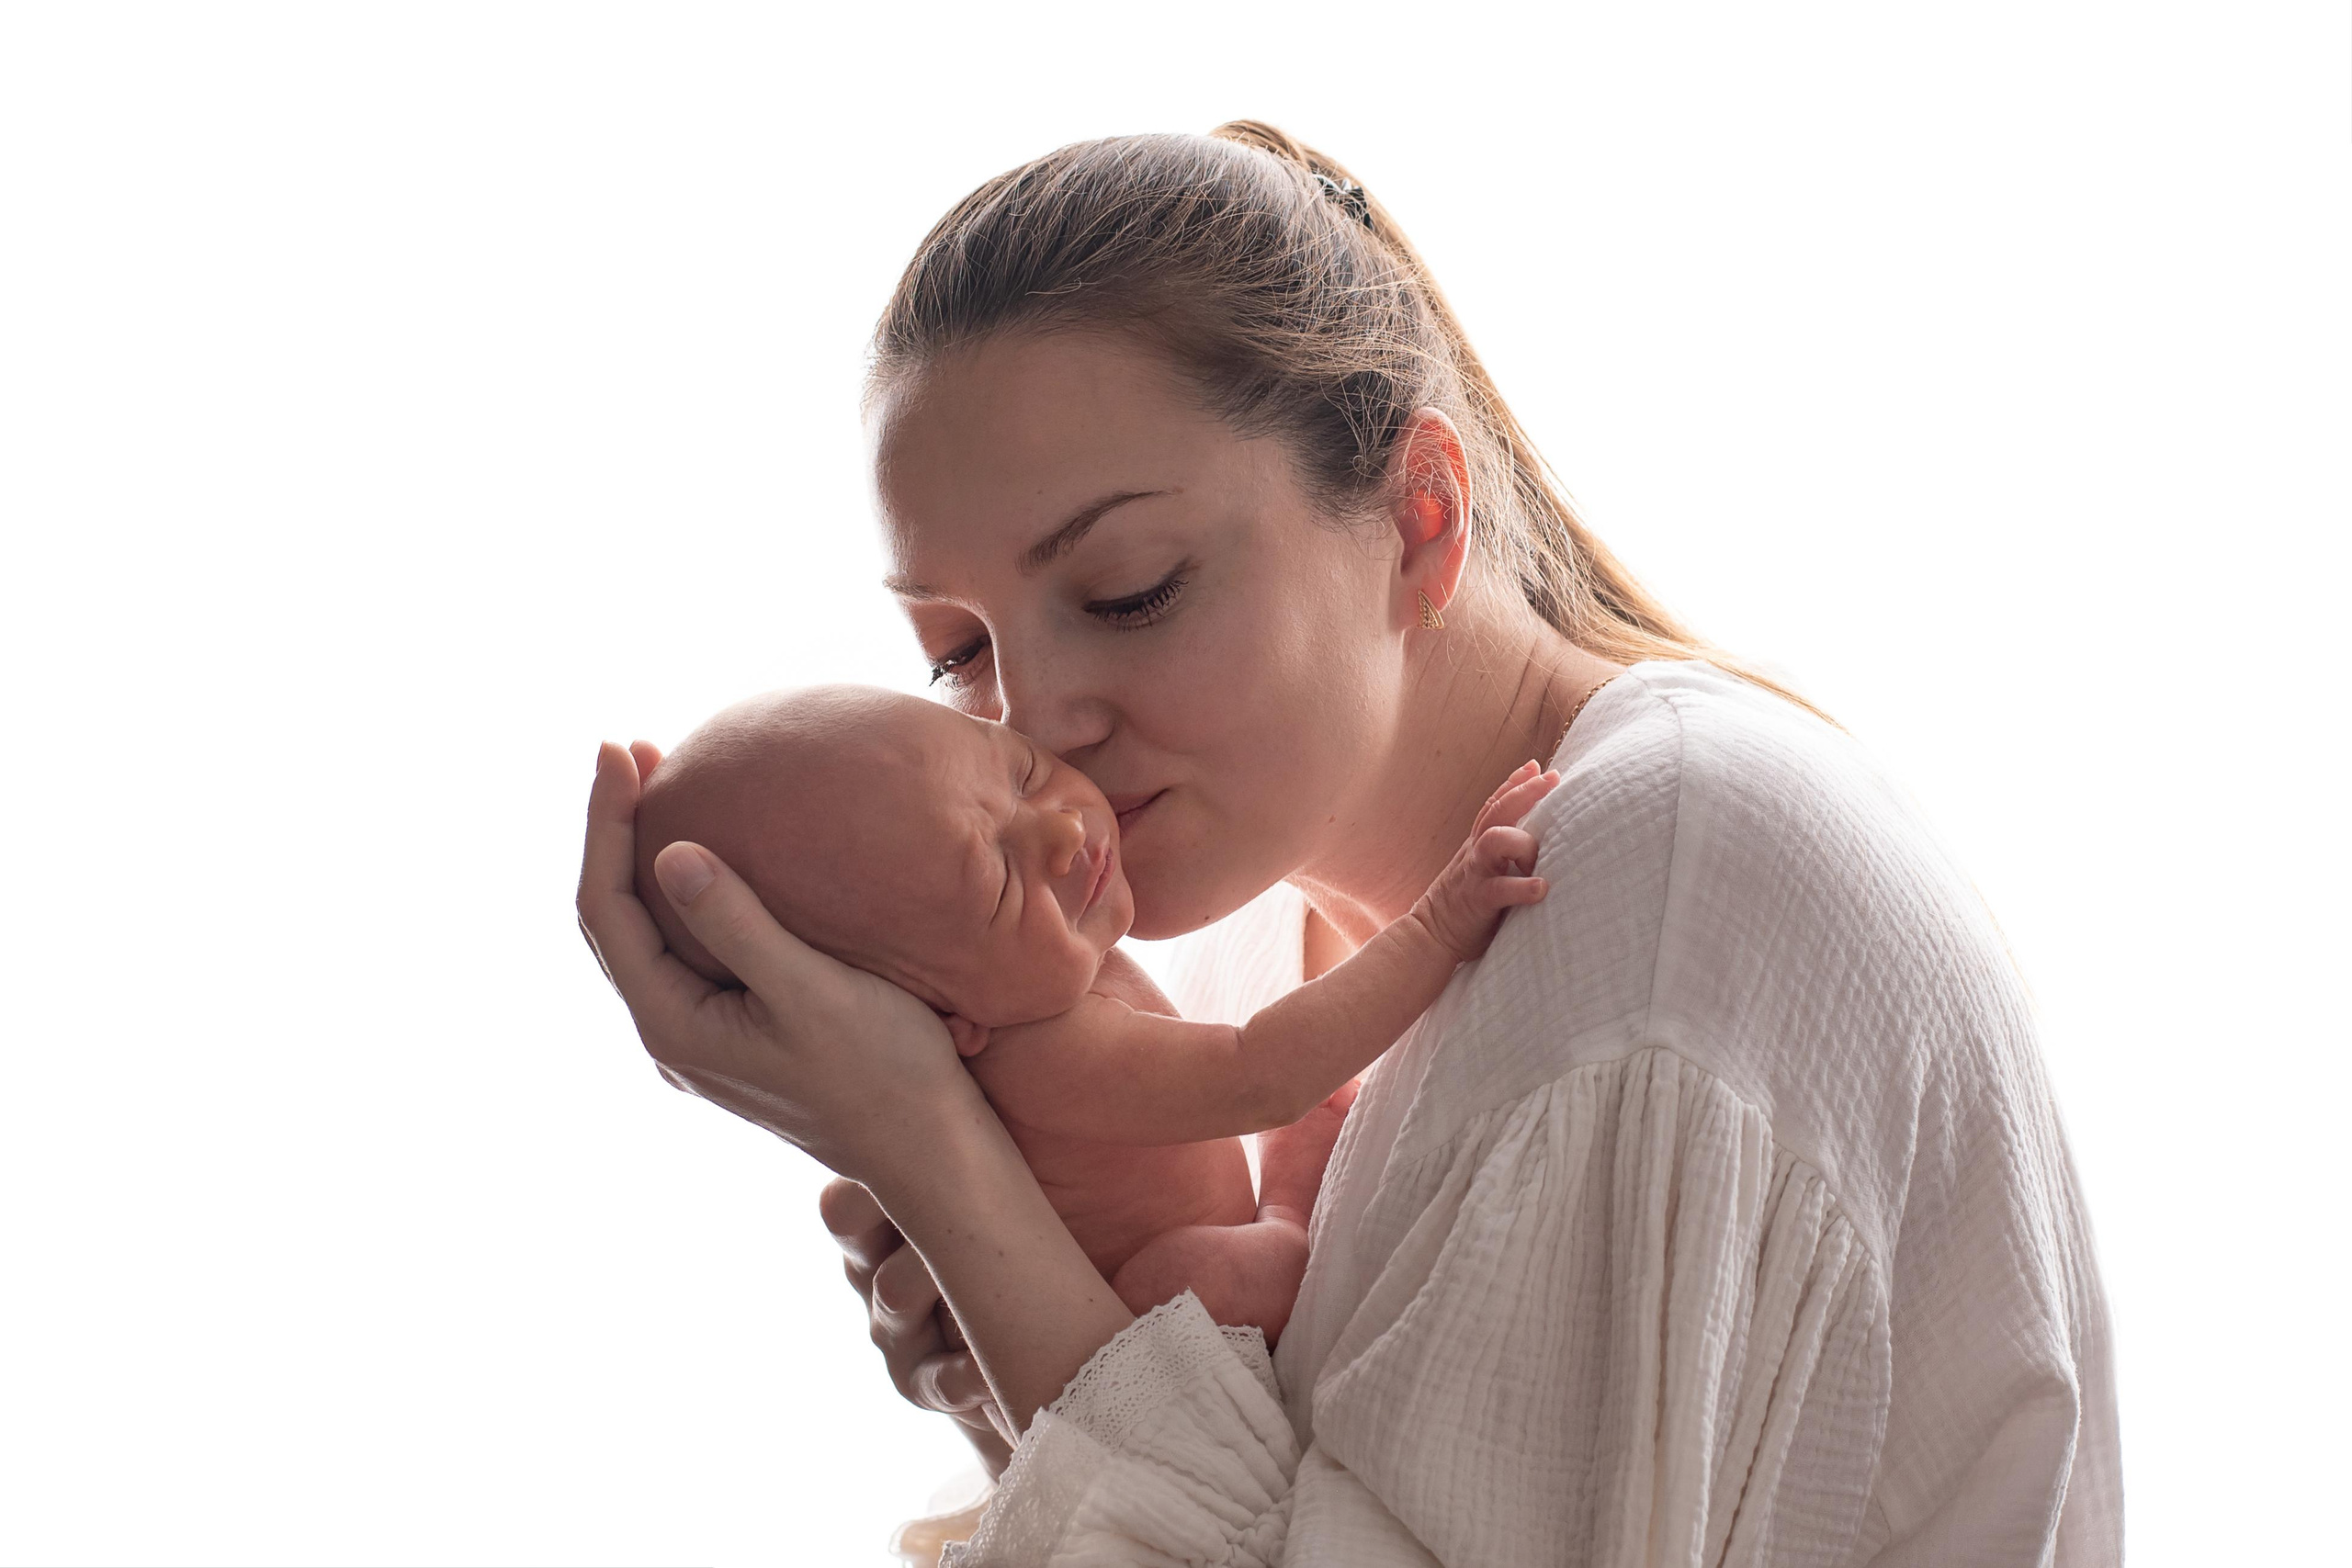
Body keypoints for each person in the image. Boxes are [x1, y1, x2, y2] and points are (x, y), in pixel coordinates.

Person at [577, 120, 2121, 1564]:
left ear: (1423, 515)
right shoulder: (1253, 928)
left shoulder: (1648, 882)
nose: (1032, 724)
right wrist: (1010, 1367)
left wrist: (945, 1174)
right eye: (958, 653)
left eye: (1127, 591)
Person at [627, 682, 1557, 1344]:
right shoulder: (1037, 1052)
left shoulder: (1034, 975)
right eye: (995, 879)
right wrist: (1443, 914)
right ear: (942, 1019)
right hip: (1165, 1341)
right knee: (1186, 1285)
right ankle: (1284, 1235)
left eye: (1022, 772)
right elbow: (1258, 1071)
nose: (1064, 831)